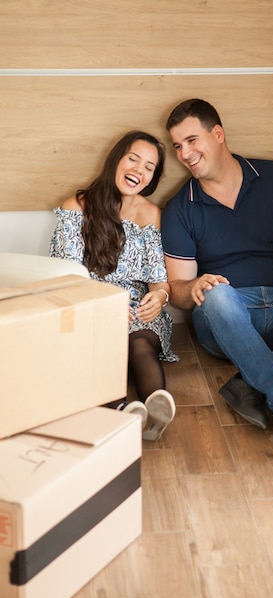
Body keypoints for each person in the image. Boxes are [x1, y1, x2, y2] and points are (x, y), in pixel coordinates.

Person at [161, 99, 273, 454]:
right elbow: (178, 290)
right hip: (228, 314)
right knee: (217, 294)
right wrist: (195, 286)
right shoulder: (181, 208)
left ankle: (252, 384)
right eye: (178, 146)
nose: (185, 154)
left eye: (192, 140)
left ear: (219, 134)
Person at [49, 130, 178, 441]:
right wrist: (106, 307)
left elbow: (159, 281)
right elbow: (67, 278)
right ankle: (122, 409)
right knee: (105, 346)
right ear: (116, 160)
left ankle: (155, 412)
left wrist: (159, 297)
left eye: (149, 167)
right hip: (89, 304)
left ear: (153, 178)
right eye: (133, 159)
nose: (139, 170)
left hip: (137, 307)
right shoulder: (77, 207)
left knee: (140, 344)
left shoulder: (151, 215)